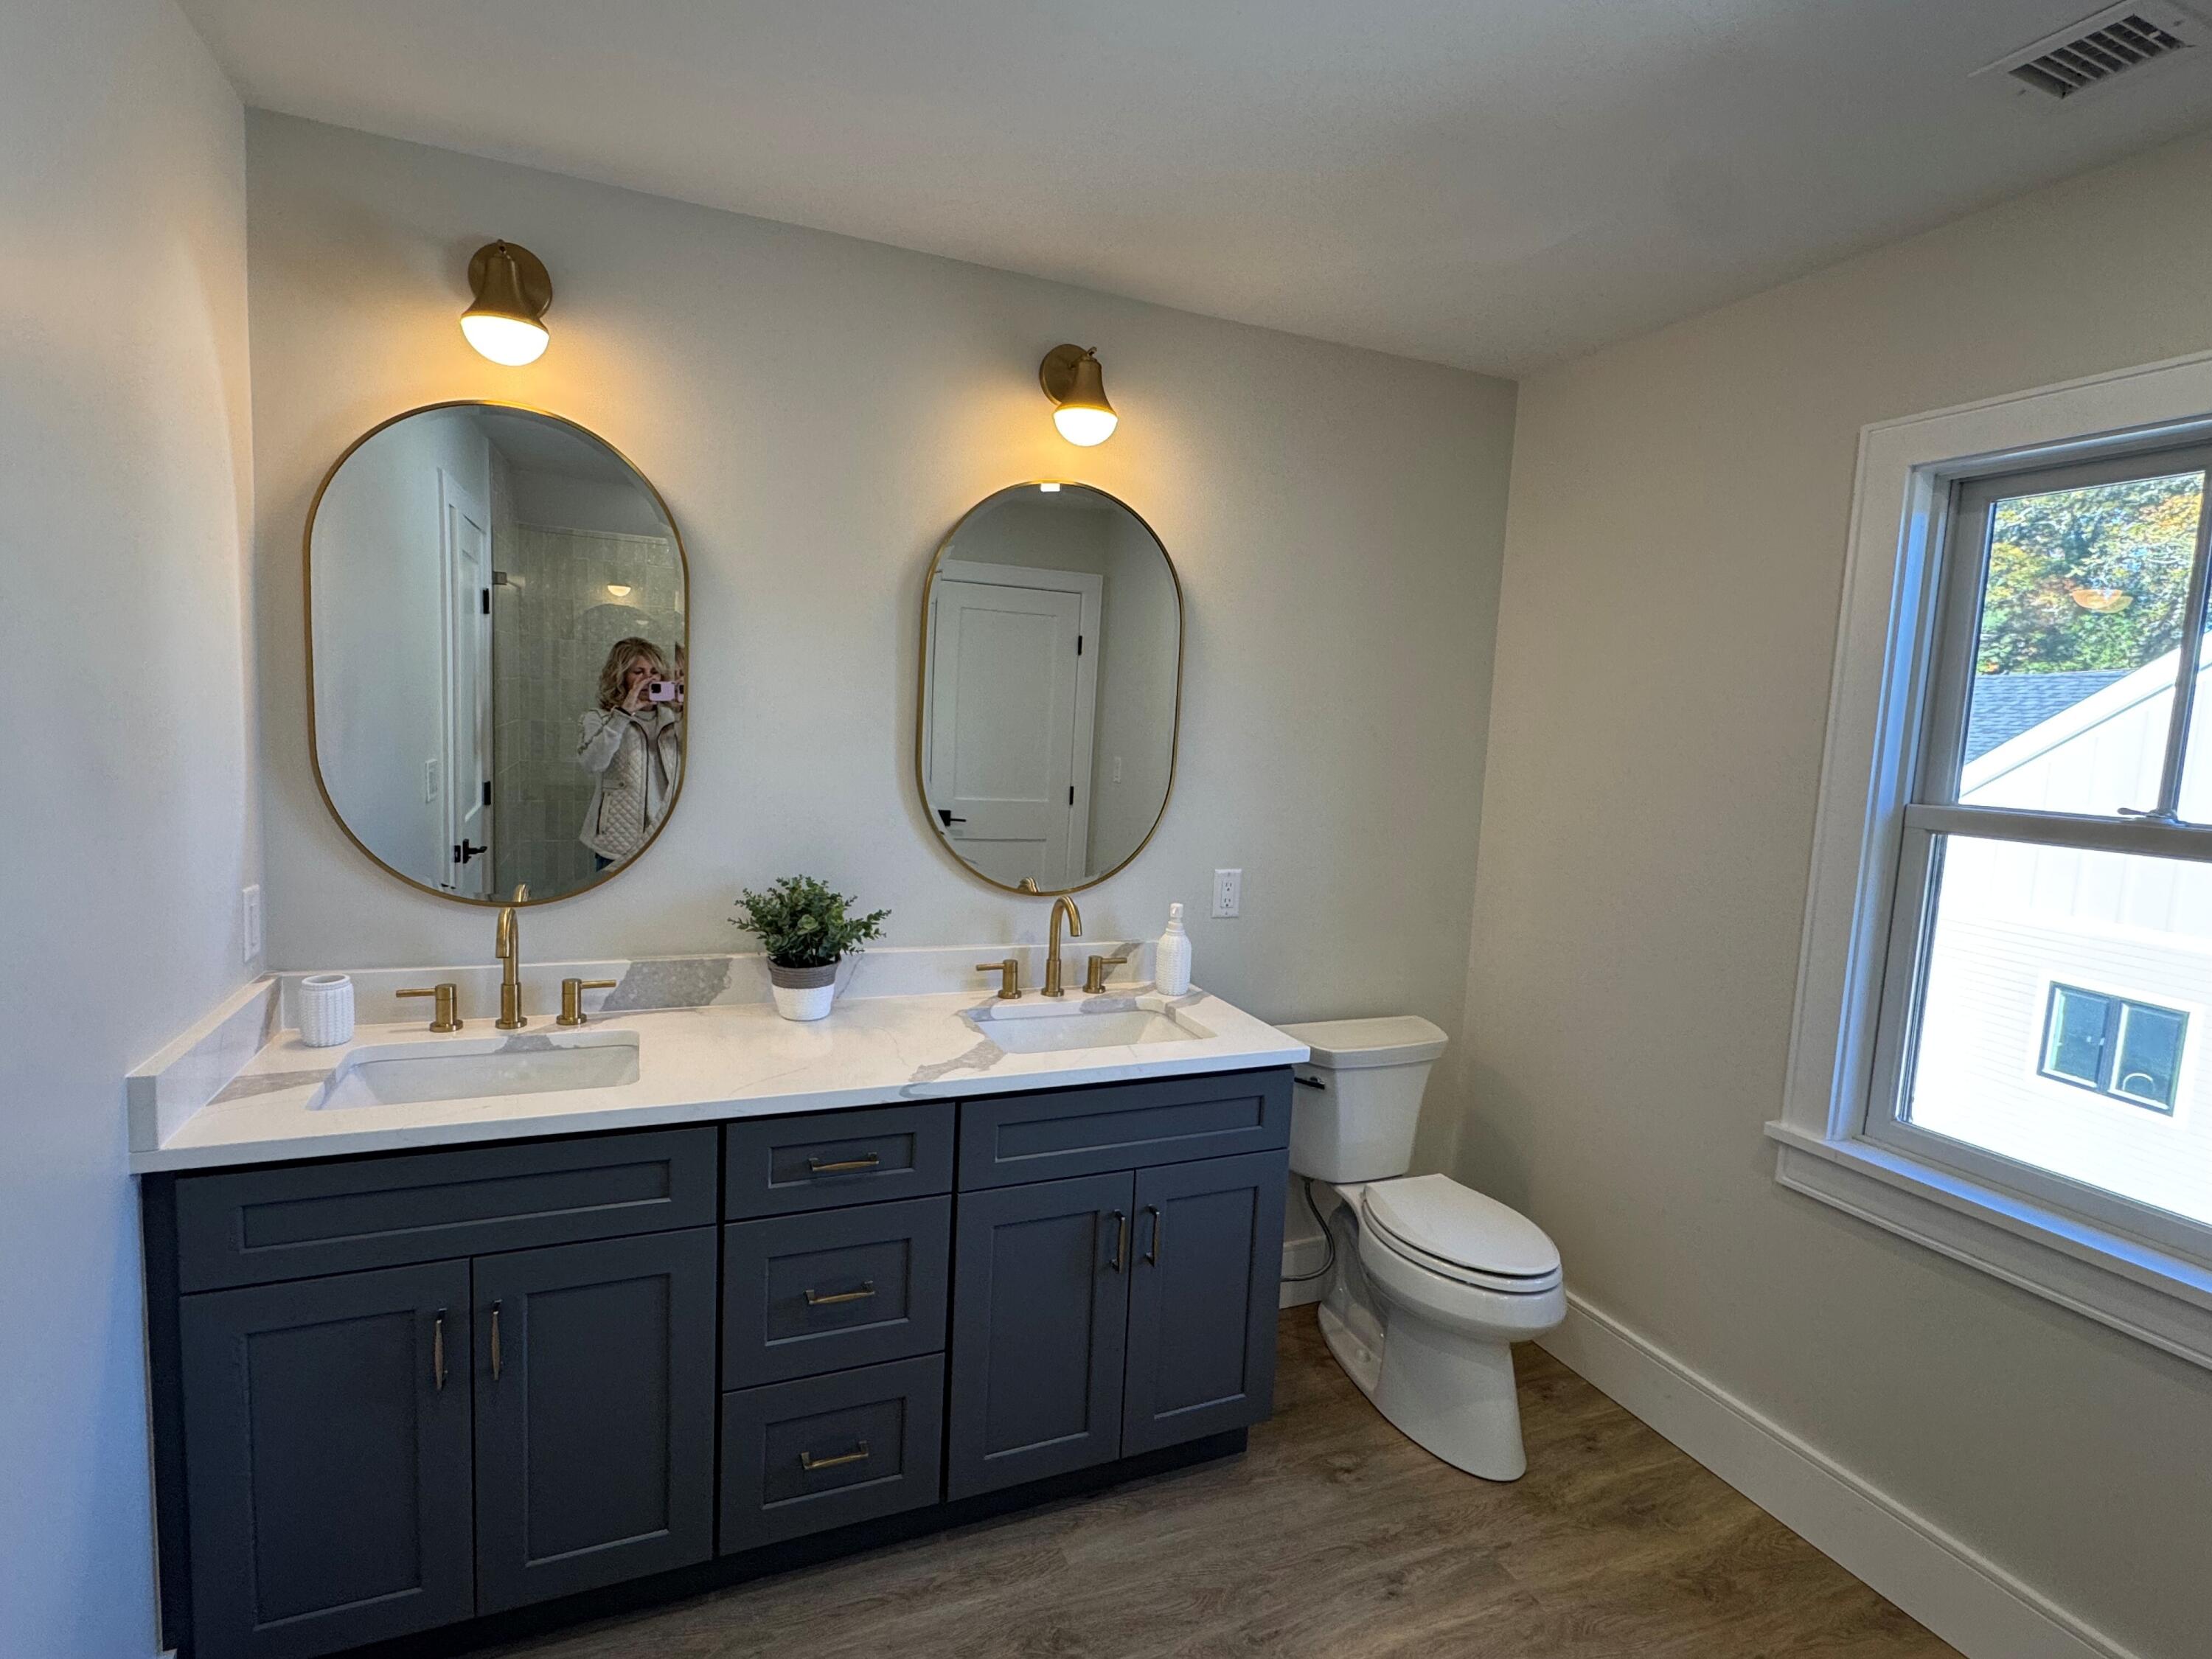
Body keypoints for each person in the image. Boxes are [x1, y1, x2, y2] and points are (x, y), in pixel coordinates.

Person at [578, 637, 682, 869]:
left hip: (666, 835)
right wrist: (623, 715)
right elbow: (592, 764)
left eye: (654, 672)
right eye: (639, 672)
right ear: (622, 676)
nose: (649, 679)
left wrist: (684, 709)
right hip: (617, 840)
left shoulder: (673, 719)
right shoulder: (600, 718)